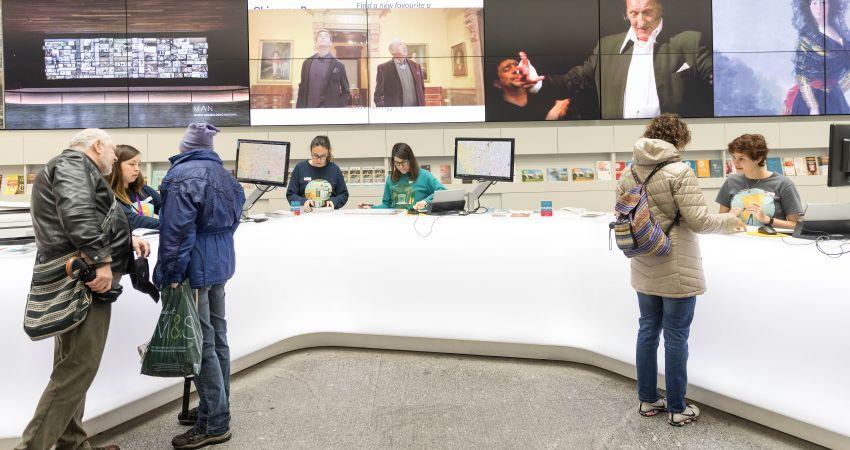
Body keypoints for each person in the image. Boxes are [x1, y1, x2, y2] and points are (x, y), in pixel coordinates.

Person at [17, 129, 150, 450]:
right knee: (78, 368)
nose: (116, 158)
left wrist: (125, 239)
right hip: (87, 279)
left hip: (82, 276)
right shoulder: (73, 165)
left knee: (72, 367)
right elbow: (76, 214)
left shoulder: (72, 168)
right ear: (97, 145)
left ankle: (72, 443)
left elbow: (86, 217)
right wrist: (102, 261)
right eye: (114, 150)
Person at [616, 114, 742, 427]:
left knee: (647, 331)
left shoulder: (629, 171)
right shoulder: (679, 171)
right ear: (679, 140)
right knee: (675, 337)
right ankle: (676, 408)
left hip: (643, 261)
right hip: (676, 264)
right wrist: (731, 219)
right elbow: (700, 221)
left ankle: (647, 400)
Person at [153, 123, 245, 450]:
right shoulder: (227, 177)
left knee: (200, 343)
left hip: (194, 268)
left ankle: (215, 422)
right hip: (221, 263)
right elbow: (234, 221)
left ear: (185, 147)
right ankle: (214, 405)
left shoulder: (181, 177)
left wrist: (170, 274)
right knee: (217, 337)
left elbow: (176, 234)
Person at [520, 0, 712, 119]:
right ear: (626, 12)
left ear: (660, 9)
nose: (640, 22)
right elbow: (574, 80)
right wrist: (538, 83)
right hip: (619, 141)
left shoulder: (689, 41)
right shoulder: (607, 47)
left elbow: (719, 79)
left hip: (672, 145)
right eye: (634, 13)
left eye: (647, 12)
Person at [717, 134, 804, 228]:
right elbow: (721, 221)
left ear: (758, 159)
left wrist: (767, 220)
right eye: (734, 157)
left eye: (741, 158)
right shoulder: (731, 181)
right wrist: (729, 217)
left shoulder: (783, 184)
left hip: (771, 240)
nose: (735, 162)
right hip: (738, 239)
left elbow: (796, 225)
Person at [784, 0, 850, 115]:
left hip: (836, 99)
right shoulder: (806, 40)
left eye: (823, 2)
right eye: (814, 3)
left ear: (831, 5)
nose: (819, 7)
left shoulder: (843, 37)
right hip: (810, 100)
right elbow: (801, 75)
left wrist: (836, 91)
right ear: (808, 7)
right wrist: (813, 106)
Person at [359, 143, 445, 211]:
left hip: (419, 221)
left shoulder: (424, 176)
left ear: (410, 160)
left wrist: (426, 201)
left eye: (404, 162)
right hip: (398, 222)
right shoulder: (390, 178)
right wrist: (372, 208)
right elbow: (386, 205)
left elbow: (442, 192)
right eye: (397, 163)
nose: (400, 166)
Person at [489, 56, 570, 121]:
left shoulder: (542, 90)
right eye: (507, 68)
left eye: (516, 65)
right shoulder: (496, 112)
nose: (515, 70)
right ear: (497, 83)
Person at [286, 135, 349, 212]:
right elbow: (290, 195)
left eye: (323, 156)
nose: (319, 160)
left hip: (328, 215)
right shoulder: (300, 168)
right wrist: (302, 202)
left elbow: (344, 194)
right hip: (304, 215)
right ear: (311, 151)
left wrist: (334, 201)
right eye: (315, 155)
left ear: (328, 153)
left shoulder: (334, 169)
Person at [109, 144, 162, 230]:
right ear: (116, 166)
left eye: (139, 164)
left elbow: (166, 207)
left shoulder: (144, 190)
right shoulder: (109, 195)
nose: (137, 169)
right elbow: (134, 221)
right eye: (132, 164)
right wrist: (169, 225)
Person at [296, 29, 351, 108]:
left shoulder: (339, 65)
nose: (323, 37)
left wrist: (337, 107)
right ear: (316, 42)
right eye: (320, 36)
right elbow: (302, 89)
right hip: (308, 112)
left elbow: (346, 91)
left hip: (329, 113)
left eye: (326, 36)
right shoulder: (306, 63)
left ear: (330, 42)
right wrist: (299, 110)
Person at [374, 39, 427, 107]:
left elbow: (422, 89)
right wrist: (385, 111)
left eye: (404, 45)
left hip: (417, 111)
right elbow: (378, 95)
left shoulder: (416, 66)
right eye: (400, 45)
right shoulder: (383, 69)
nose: (404, 47)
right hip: (396, 113)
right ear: (392, 51)